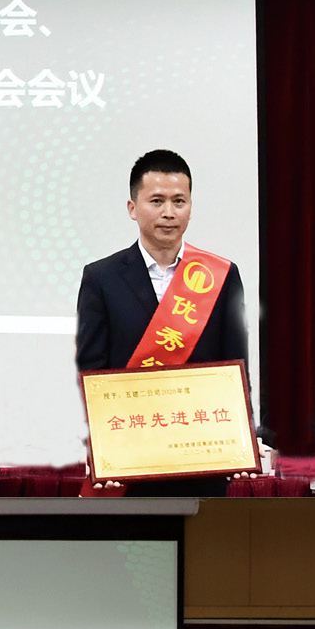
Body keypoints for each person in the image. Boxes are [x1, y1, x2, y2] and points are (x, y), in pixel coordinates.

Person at [76, 150, 251, 499]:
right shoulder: (101, 278)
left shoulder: (222, 275)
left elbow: (236, 366)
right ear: (132, 208)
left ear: (190, 207)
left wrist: (242, 438)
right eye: (156, 201)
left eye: (179, 201)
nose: (169, 212)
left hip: (202, 451)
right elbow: (92, 370)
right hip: (132, 453)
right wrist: (103, 446)